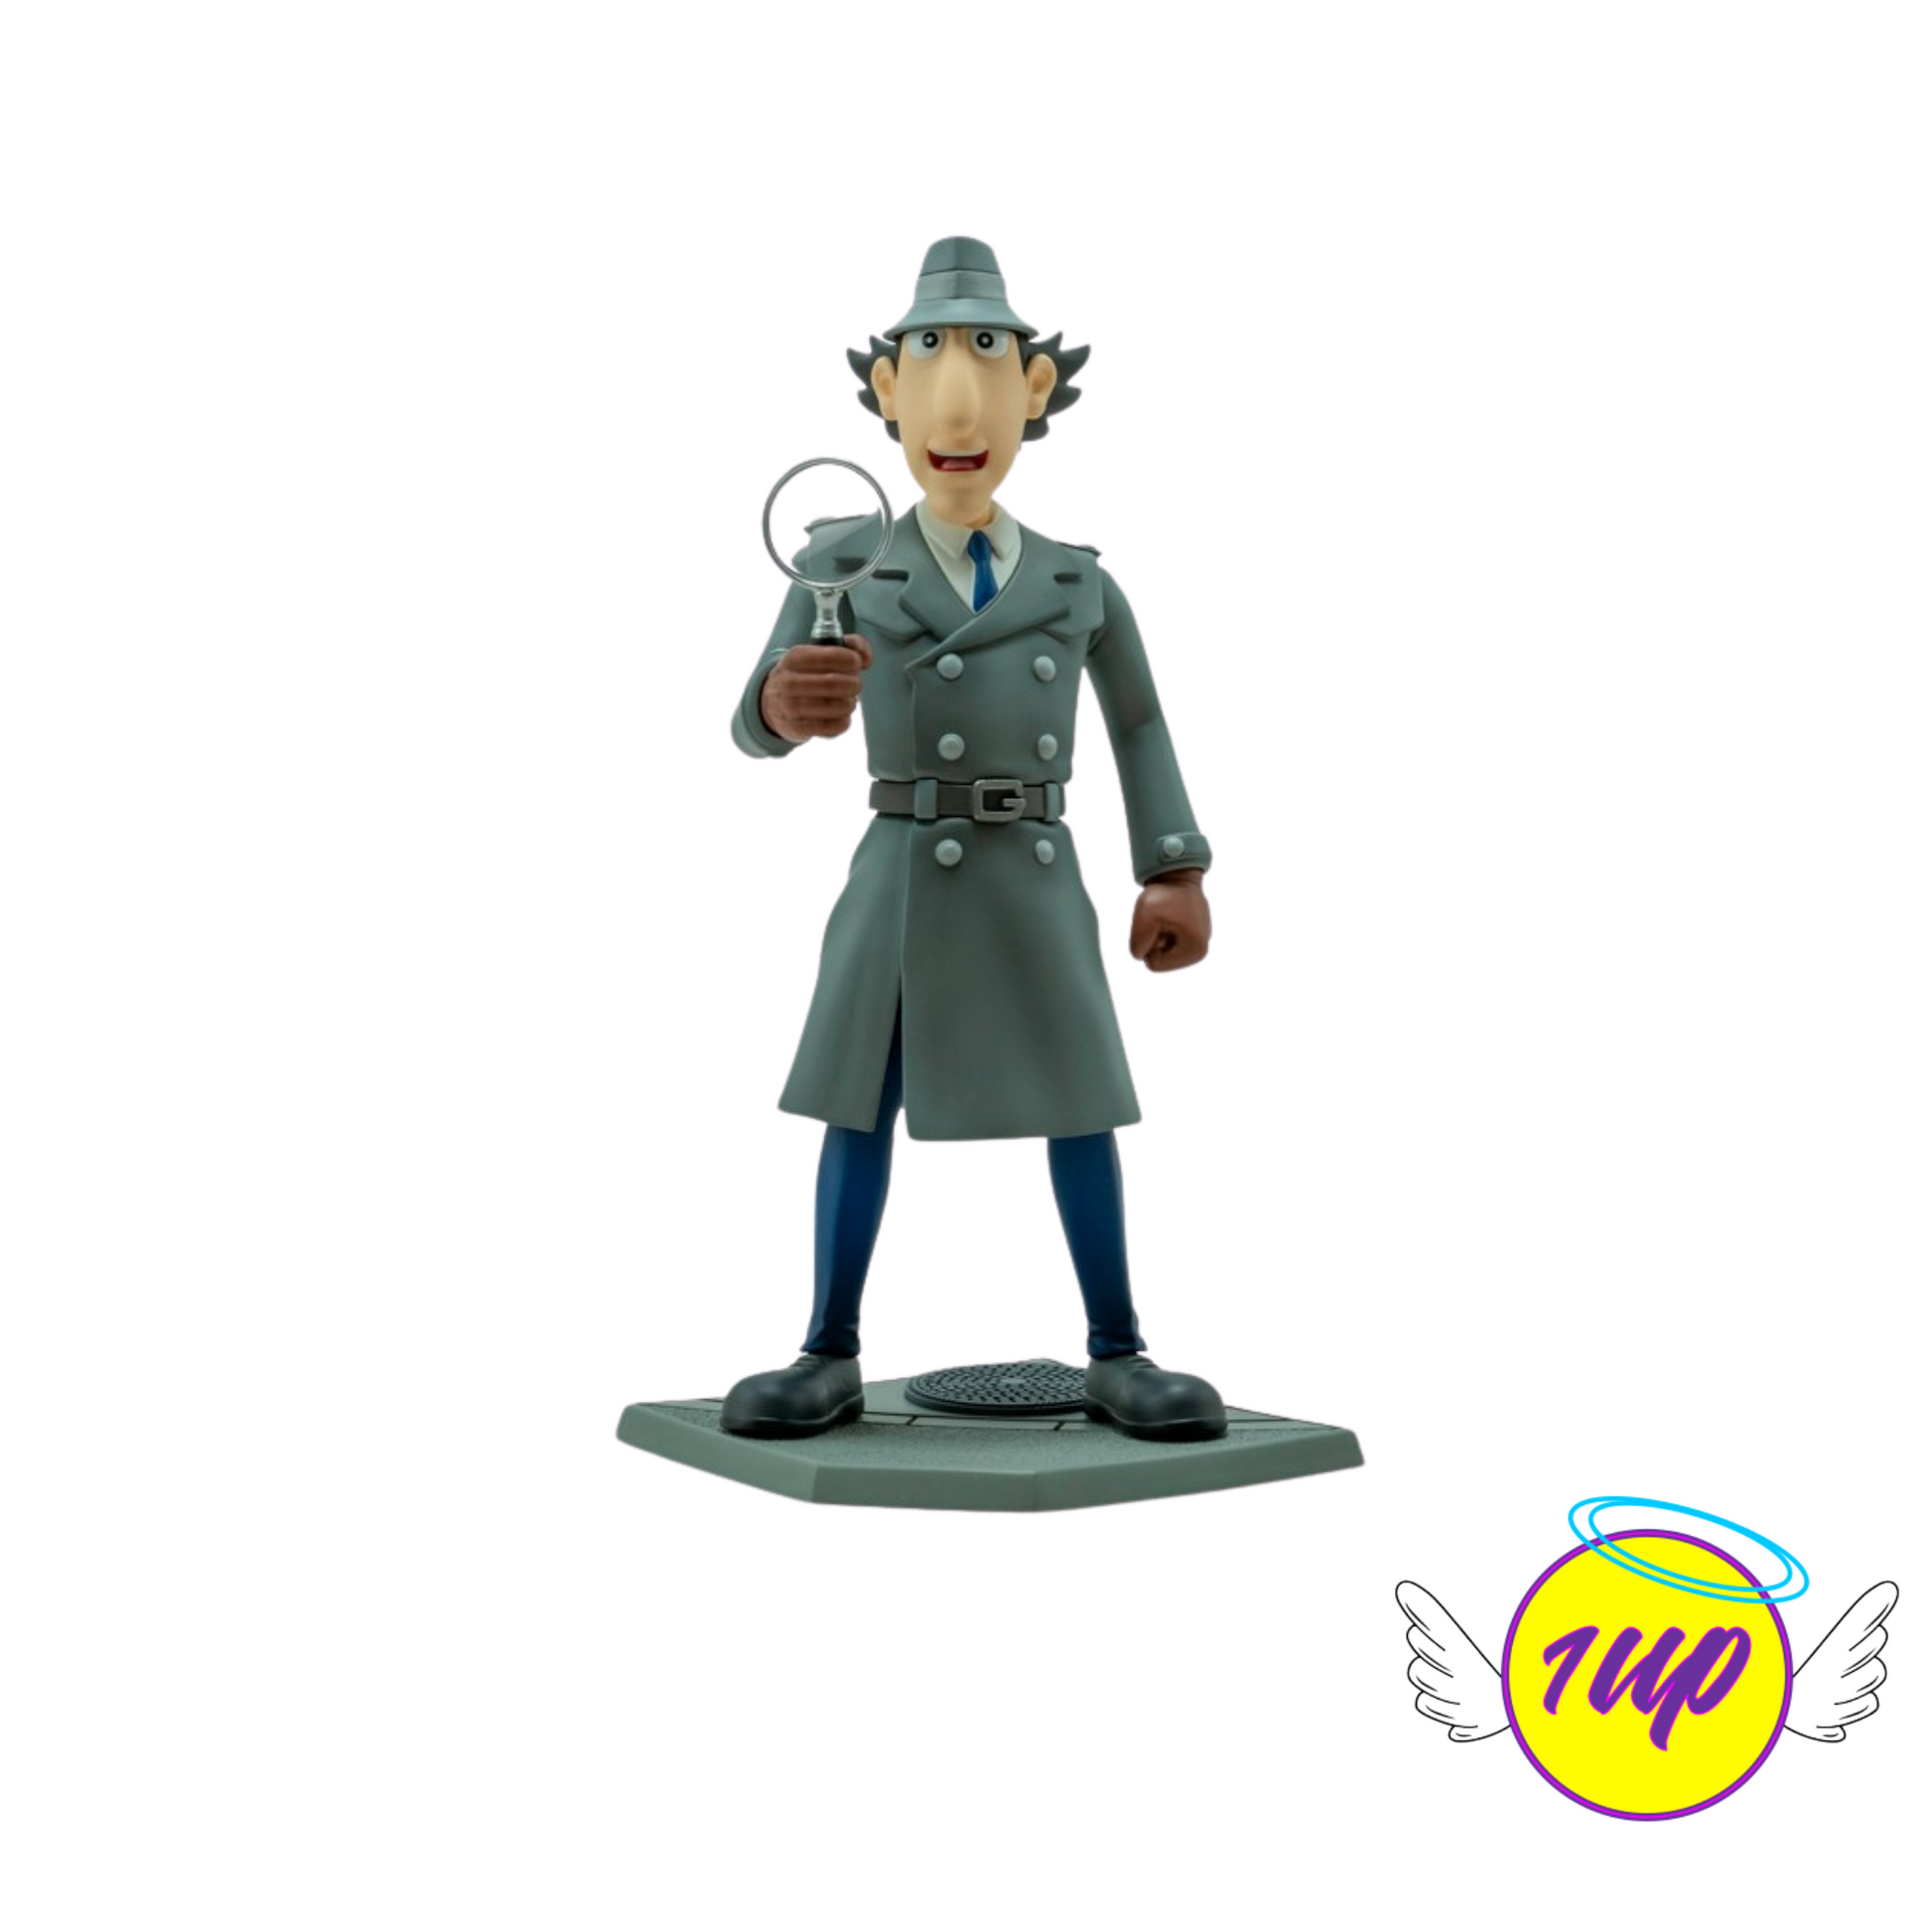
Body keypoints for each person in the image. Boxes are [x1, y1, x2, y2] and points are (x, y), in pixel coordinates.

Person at [722, 237, 1224, 1443]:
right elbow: (752, 719)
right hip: (901, 867)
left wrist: (1172, 864)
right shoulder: (843, 560)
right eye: (930, 371)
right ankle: (827, 1346)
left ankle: (1117, 1348)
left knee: (1081, 1100)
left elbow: (1139, 722)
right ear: (886, 391)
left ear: (1033, 390)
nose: (960, 418)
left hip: (1032, 867)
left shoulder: (1074, 581)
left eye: (990, 369)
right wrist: (782, 703)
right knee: (856, 1099)